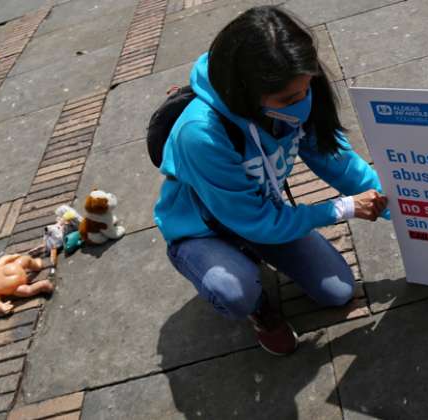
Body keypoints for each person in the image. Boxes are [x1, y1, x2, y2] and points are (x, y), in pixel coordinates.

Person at [153, 6, 388, 356]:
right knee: (234, 292)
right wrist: (344, 207)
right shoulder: (200, 134)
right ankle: (257, 306)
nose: (303, 105)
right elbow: (258, 222)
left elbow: (338, 163)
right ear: (244, 93)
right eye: (290, 99)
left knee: (338, 291)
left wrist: (401, 205)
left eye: (308, 88)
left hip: (261, 212)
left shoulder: (291, 93)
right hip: (204, 230)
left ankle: (252, 255)